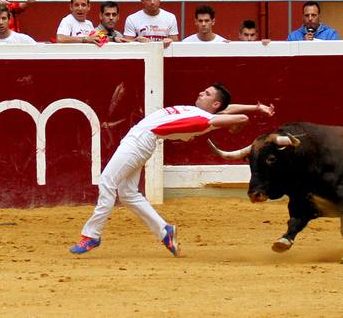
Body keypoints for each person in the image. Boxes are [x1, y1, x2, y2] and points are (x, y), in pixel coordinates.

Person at [71, 85, 272, 256]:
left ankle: (92, 235)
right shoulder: (201, 113)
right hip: (140, 139)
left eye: (208, 93)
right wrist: (256, 107)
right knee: (128, 193)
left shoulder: (202, 120)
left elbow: (229, 117)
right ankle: (164, 231)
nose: (202, 93)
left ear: (215, 105)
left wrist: (241, 120)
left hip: (140, 140)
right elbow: (228, 110)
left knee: (107, 181)